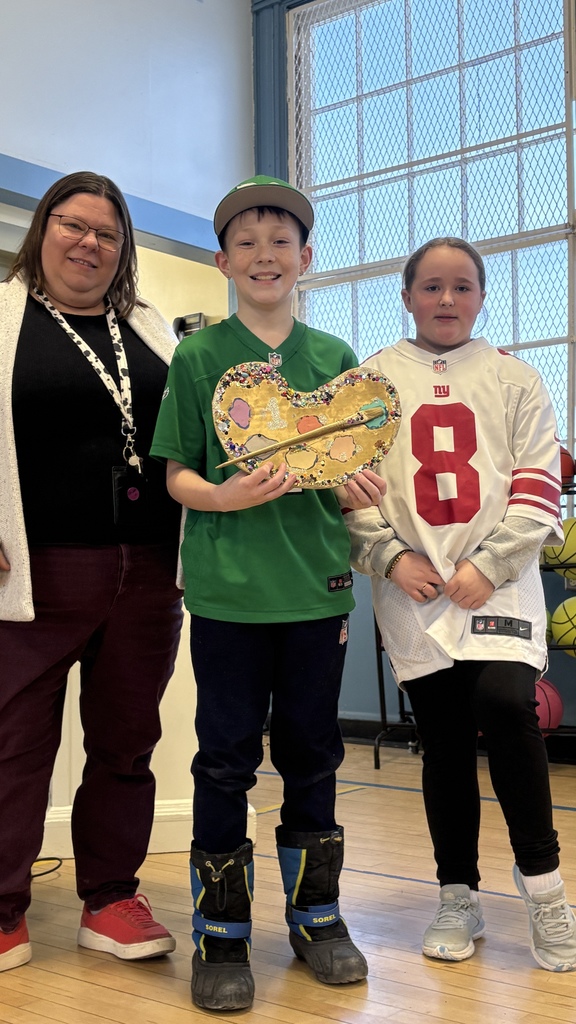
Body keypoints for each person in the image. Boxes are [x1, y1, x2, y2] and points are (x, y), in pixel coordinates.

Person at [151, 175, 385, 1011]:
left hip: (318, 594)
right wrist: (223, 496)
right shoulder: (199, 357)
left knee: (314, 757)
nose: (263, 255)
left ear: (306, 259)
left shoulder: (334, 361)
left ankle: (317, 917)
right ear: (221, 259)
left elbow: (358, 467)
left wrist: (361, 484)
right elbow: (177, 473)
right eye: (245, 242)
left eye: (280, 241)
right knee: (222, 764)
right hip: (227, 598)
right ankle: (223, 934)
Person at [345, 236, 576, 972]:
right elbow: (348, 481)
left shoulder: (515, 378)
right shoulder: (373, 379)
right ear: (407, 295)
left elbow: (540, 481)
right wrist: (391, 555)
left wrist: (490, 562)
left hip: (496, 580)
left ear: (481, 296)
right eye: (432, 286)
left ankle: (545, 891)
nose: (447, 300)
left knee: (509, 707)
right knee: (441, 738)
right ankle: (457, 894)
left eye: (462, 286)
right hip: (412, 584)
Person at [0, 171, 184, 972]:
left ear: (124, 251)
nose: (89, 243)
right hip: (36, 569)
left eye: (108, 234)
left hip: (147, 571)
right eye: (73, 225)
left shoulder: (149, 331)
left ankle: (110, 896)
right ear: (42, 231)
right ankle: (3, 907)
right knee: (13, 742)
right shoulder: (4, 317)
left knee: (126, 741)